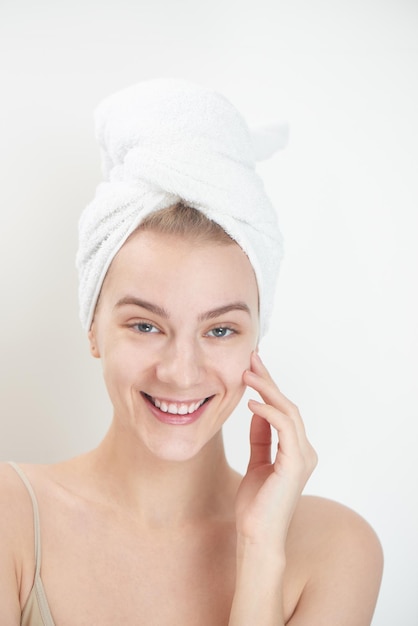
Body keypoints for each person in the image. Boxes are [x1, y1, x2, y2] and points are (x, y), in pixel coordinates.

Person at [0, 79, 383, 625]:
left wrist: (259, 551)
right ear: (92, 328)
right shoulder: (10, 517)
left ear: (256, 339)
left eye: (220, 330)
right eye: (145, 325)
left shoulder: (335, 549)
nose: (181, 372)